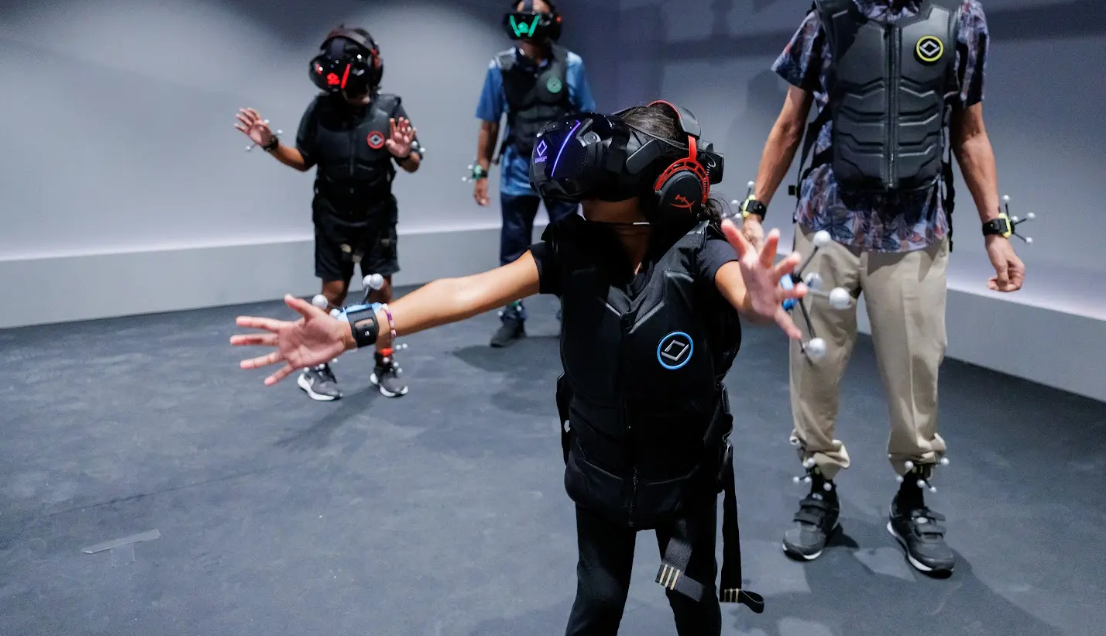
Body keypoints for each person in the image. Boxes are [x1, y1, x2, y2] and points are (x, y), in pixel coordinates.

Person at [233, 102, 805, 635]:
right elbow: (466, 292)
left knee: (689, 596)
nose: (582, 203)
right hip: (600, 471)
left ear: (663, 187)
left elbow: (747, 299)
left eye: (599, 186)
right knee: (600, 600)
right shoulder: (570, 247)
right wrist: (352, 327)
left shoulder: (702, 248)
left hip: (682, 481)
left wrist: (760, 299)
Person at [738, 0, 1025, 575]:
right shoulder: (826, 17)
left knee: (916, 372)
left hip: (915, 232)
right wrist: (751, 208)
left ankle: (912, 492)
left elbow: (970, 133)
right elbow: (788, 125)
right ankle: (820, 486)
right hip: (828, 224)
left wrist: (998, 230)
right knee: (815, 365)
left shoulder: (961, 18)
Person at [235, 26, 422, 402]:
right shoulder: (320, 110)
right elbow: (304, 161)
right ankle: (317, 364)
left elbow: (413, 163)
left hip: (378, 216)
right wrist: (271, 144)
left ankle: (384, 361)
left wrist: (402, 153)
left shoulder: (390, 109)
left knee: (382, 291)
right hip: (333, 216)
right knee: (333, 292)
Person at [471, 0, 597, 348]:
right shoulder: (500, 67)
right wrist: (481, 172)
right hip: (517, 171)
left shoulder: (570, 63)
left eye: (536, 15)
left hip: (564, 171)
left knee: (569, 243)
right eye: (522, 16)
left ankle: (571, 313)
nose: (528, 21)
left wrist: (590, 172)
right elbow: (489, 125)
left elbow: (587, 118)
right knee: (513, 249)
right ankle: (512, 316)